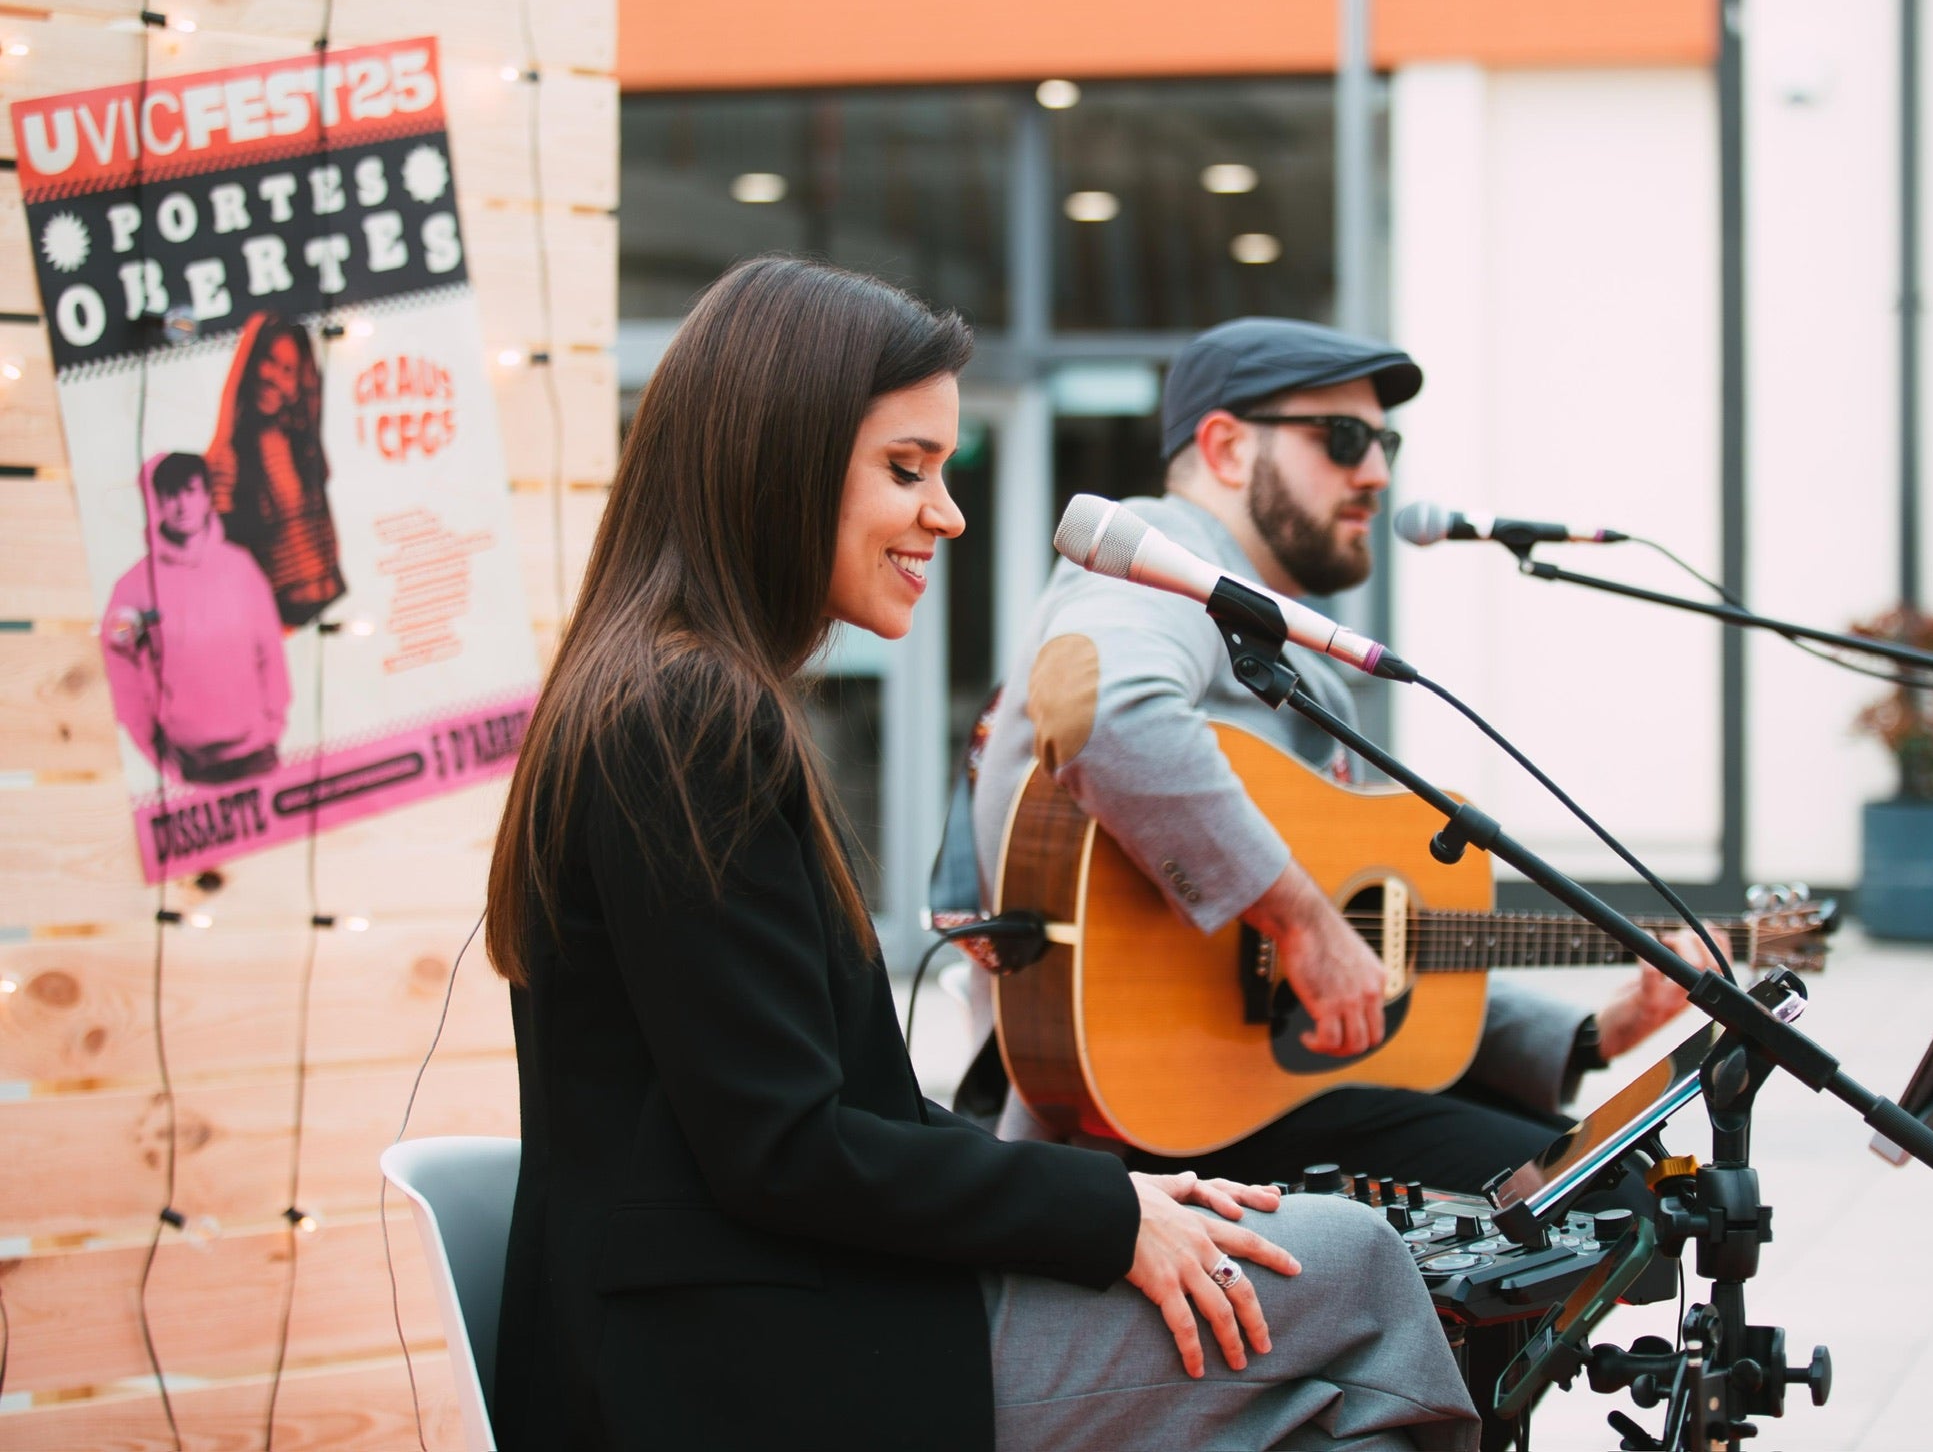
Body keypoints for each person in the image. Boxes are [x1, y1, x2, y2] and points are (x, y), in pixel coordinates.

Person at [484, 259, 1478, 1452]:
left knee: (1309, 1317)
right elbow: (786, 1152)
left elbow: (819, 1116)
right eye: (907, 470)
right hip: (740, 1362)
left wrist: (1114, 1196)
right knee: (1357, 1267)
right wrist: (1104, 1218)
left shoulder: (658, 692)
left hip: (740, 1315)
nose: (948, 514)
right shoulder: (692, 715)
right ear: (777, 459)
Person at [971, 317, 1714, 1194]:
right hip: (1154, 1120)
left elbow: (1378, 951)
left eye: (1384, 444)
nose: (1377, 474)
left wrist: (1596, 1035)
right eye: (1344, 438)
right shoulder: (1156, 558)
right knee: (1613, 1198)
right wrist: (1300, 921)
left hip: (1264, 1088)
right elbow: (1102, 708)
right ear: (1227, 448)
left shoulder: (1276, 635)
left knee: (1630, 1178)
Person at [102, 451, 291, 784]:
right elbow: (121, 673)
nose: (182, 505)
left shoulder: (241, 567)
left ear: (206, 497)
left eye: (190, 491)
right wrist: (154, 750)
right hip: (188, 768)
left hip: (257, 754)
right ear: (158, 502)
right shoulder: (133, 587)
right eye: (171, 495)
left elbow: (271, 651)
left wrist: (272, 728)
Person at [205, 312, 345, 626]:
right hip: (276, 618)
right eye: (267, 361)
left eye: (288, 370)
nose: (272, 377)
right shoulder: (229, 455)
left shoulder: (300, 445)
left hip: (325, 604)